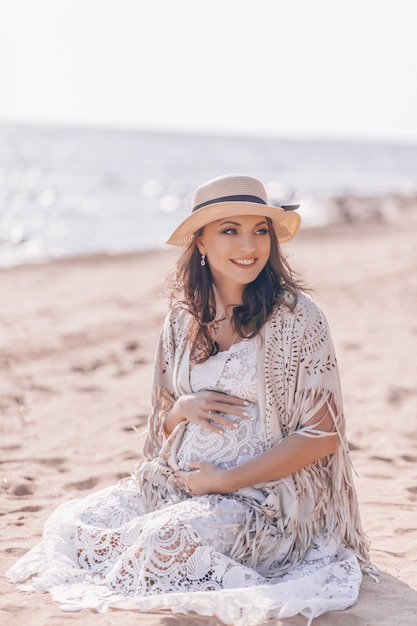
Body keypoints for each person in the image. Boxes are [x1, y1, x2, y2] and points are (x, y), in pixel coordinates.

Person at [6, 174, 373, 625]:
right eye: (230, 230)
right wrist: (182, 410)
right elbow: (161, 424)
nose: (250, 245)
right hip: (173, 484)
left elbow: (322, 436)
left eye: (261, 230)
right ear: (201, 242)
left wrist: (226, 480)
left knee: (163, 542)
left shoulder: (297, 318)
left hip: (263, 502)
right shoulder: (183, 318)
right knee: (82, 527)